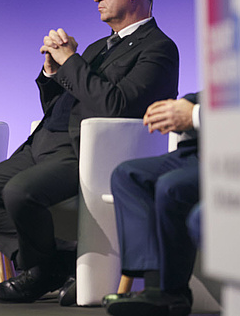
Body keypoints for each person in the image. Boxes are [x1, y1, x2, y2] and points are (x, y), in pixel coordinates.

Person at [0, 0, 180, 304]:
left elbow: (117, 107)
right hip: (41, 145)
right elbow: (66, 105)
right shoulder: (99, 47)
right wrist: (54, 73)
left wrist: (72, 61)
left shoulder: (159, 48)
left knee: (19, 193)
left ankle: (40, 270)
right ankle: (57, 261)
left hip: (86, 153)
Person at [103, 93, 200, 316]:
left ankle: (174, 292)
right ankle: (154, 285)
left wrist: (194, 115)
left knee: (170, 186)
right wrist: (179, 107)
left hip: (234, 153)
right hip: (197, 149)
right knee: (127, 174)